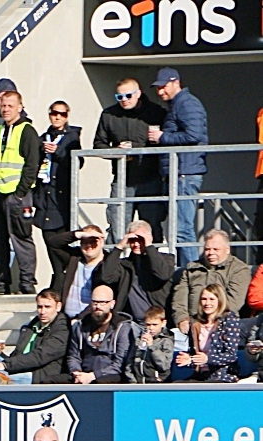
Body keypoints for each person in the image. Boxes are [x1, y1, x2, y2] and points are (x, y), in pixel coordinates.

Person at [92, 78, 168, 242]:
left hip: (151, 179)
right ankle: (115, 265)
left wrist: (144, 146)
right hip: (122, 180)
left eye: (128, 96)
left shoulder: (156, 112)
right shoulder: (109, 115)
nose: (124, 100)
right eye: (119, 97)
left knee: (151, 228)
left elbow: (169, 142)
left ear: (138, 93)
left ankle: (152, 265)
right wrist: (116, 152)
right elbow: (98, 144)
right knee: (117, 228)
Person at [0, 90, 40, 295]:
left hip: (16, 194)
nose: (5, 109)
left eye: (10, 106)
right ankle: (0, 281)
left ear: (20, 107)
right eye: (3, 105)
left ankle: (26, 282)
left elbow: (32, 164)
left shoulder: (27, 130)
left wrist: (20, 192)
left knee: (21, 237)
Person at [149, 68, 207, 269]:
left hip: (184, 173)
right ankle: (187, 272)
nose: (160, 92)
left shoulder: (187, 103)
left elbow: (194, 136)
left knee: (183, 229)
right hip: (178, 172)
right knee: (178, 228)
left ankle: (191, 273)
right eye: (158, 88)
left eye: (163, 87)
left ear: (176, 82)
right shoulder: (179, 104)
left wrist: (162, 137)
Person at [31, 101, 81, 285]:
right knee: (49, 242)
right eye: (54, 113)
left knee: (60, 243)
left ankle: (61, 282)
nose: (57, 117)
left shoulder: (72, 137)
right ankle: (58, 281)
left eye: (62, 114)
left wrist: (58, 151)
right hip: (45, 198)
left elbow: (78, 163)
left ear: (67, 116)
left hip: (61, 200)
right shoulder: (42, 137)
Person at [0, 288, 71, 385]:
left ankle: (0, 377)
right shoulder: (29, 327)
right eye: (39, 307)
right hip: (18, 368)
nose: (42, 311)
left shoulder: (62, 329)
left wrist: (5, 365)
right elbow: (17, 357)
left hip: (37, 374)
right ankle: (0, 376)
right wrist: (0, 354)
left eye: (47, 307)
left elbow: (39, 357)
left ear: (58, 307)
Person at [170, 230, 249, 336]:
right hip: (191, 326)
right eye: (207, 249)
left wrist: (208, 322)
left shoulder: (239, 269)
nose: (211, 253)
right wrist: (181, 319)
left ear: (227, 250)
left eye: (216, 249)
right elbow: (179, 298)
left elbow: (234, 302)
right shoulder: (191, 268)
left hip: (222, 327)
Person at [65, 285, 134, 384]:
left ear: (112, 304)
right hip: (82, 374)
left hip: (109, 375)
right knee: (50, 381)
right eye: (95, 302)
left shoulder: (122, 327)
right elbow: (73, 356)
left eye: (103, 302)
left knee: (98, 382)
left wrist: (93, 376)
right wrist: (76, 373)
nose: (98, 306)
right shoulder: (80, 325)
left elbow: (119, 364)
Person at [175, 283, 241, 383]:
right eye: (204, 299)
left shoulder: (229, 320)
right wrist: (189, 359)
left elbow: (231, 355)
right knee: (177, 386)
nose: (207, 303)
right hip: (201, 375)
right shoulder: (196, 323)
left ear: (220, 301)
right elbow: (197, 355)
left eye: (211, 299)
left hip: (222, 376)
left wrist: (208, 359)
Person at [58, 224, 107, 320]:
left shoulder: (108, 265)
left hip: (91, 320)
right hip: (66, 319)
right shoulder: (74, 259)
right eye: (85, 241)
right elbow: (53, 243)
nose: (89, 245)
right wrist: (77, 235)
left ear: (101, 242)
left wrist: (80, 318)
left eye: (93, 241)